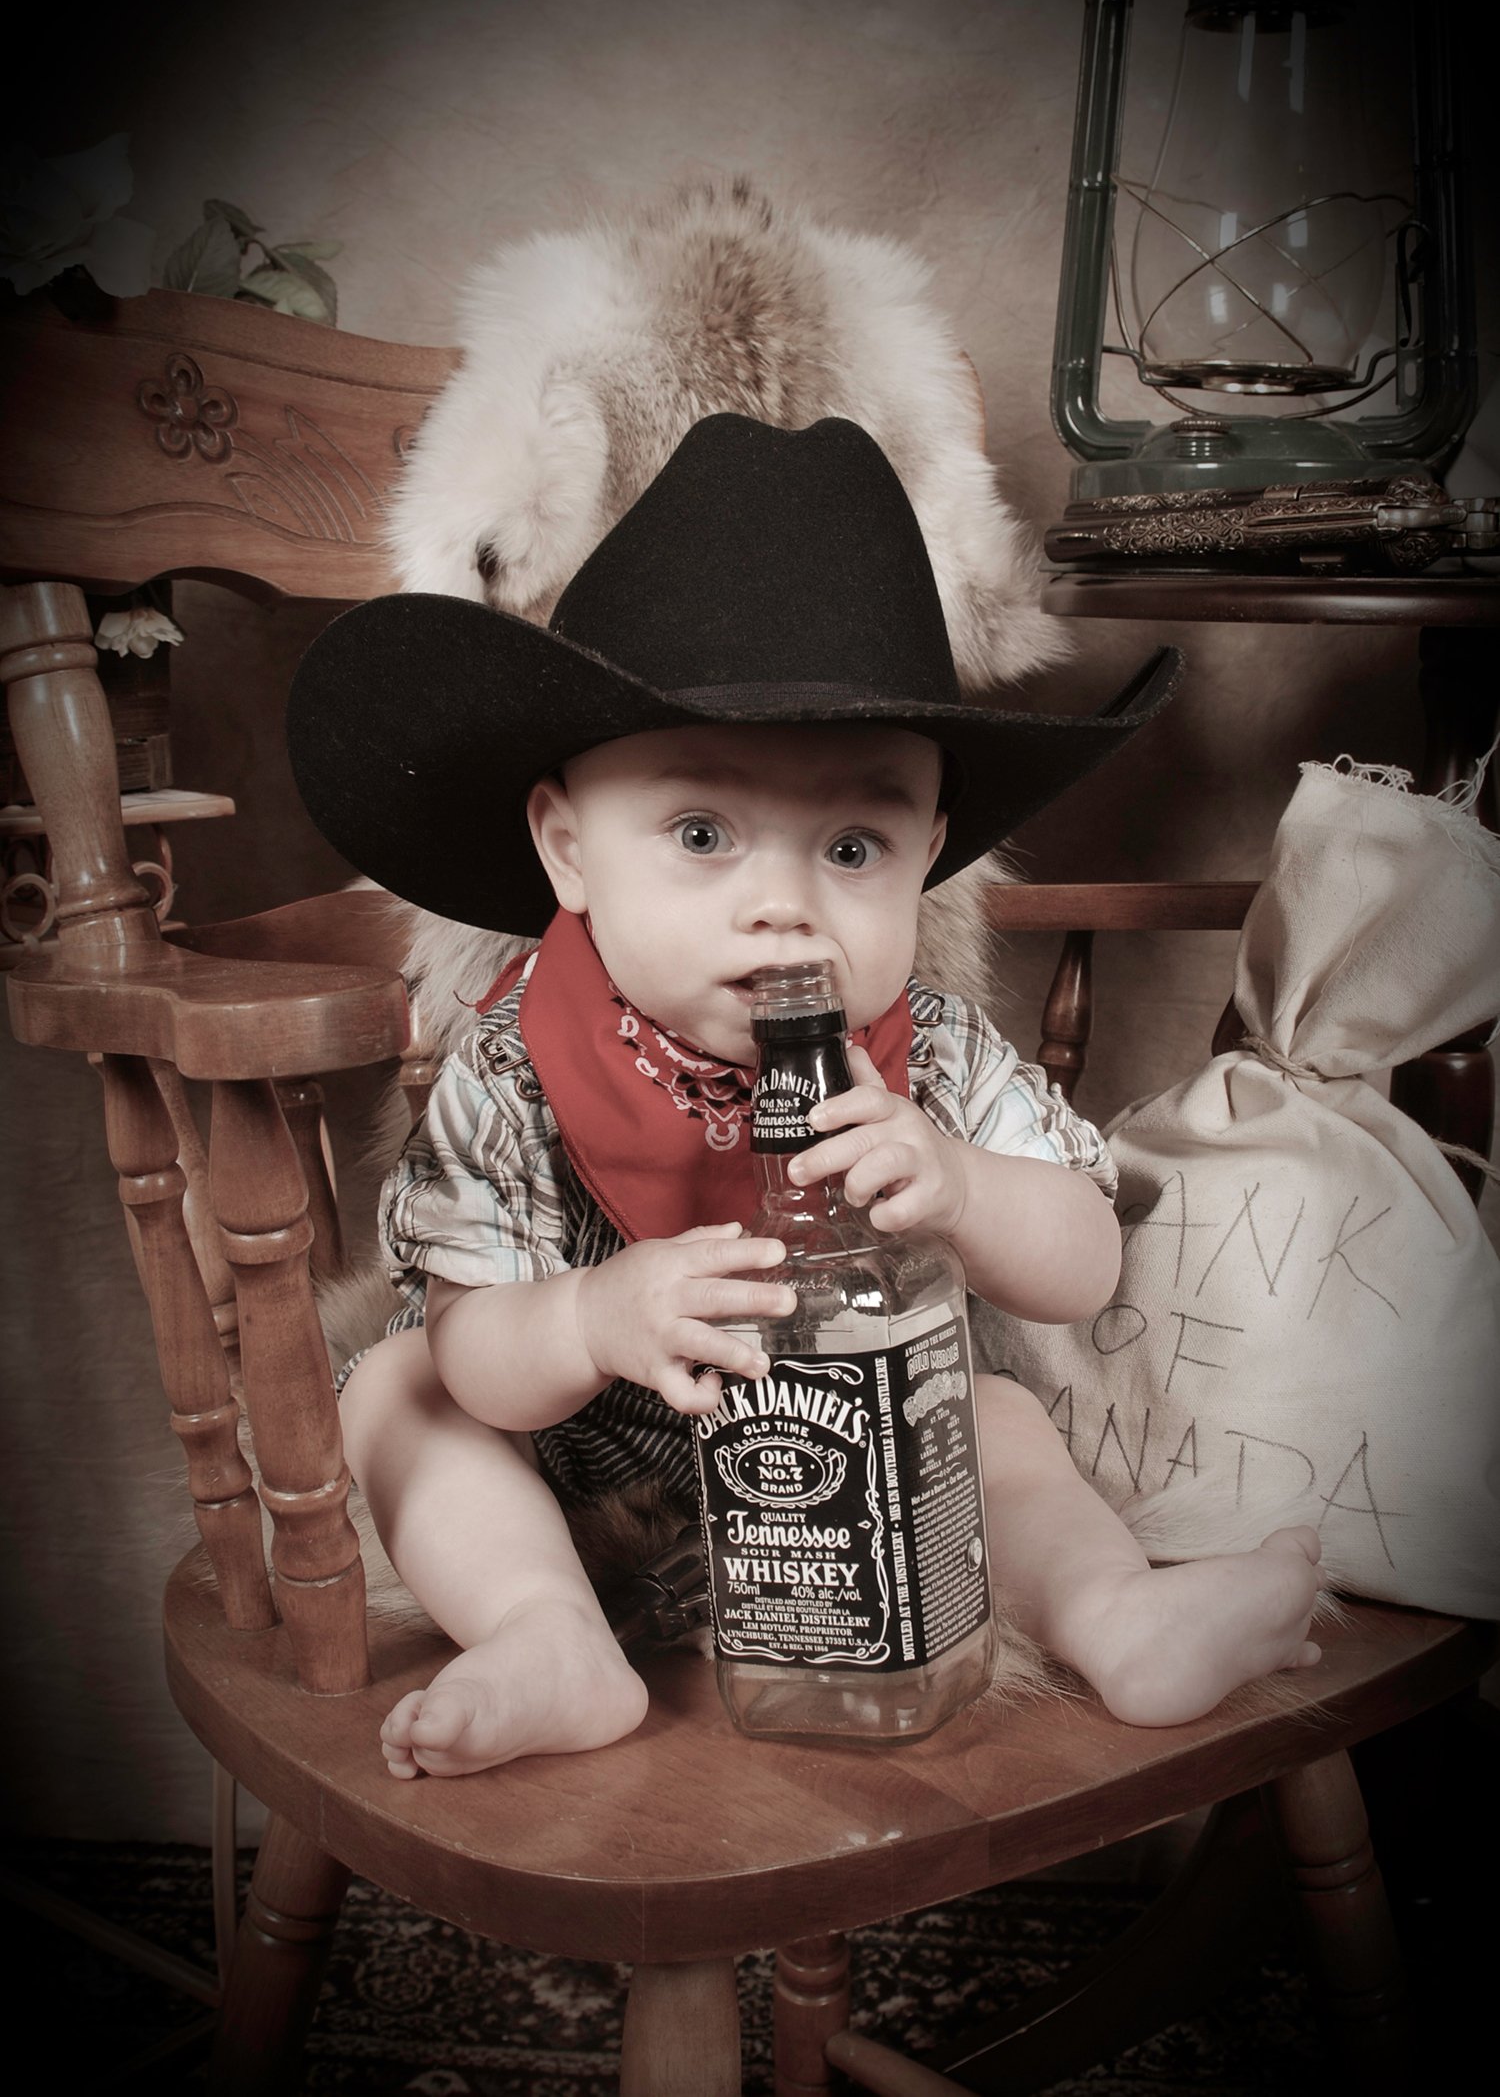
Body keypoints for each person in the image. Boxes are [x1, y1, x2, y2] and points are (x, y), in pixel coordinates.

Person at [288, 414, 1325, 1780]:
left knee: (1001, 1421)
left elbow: (1082, 1267)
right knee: (402, 1393)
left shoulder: (931, 1056)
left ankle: (1118, 1617)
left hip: (871, 1488)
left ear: (928, 852)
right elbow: (480, 1352)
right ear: (568, 849)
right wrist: (594, 1316)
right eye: (701, 833)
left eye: (851, 847)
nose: (783, 907)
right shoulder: (514, 1064)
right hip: (582, 1469)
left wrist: (961, 1185)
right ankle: (549, 1635)